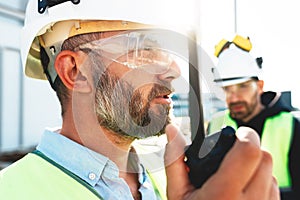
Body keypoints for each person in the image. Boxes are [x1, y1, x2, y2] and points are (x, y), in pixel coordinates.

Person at [0, 1, 279, 199]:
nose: (174, 70)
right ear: (76, 72)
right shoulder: (9, 192)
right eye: (146, 49)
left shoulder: (170, 177)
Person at [208, 35, 300, 200]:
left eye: (242, 87)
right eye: (227, 89)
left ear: (259, 86)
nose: (234, 98)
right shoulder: (214, 125)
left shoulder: (291, 125)